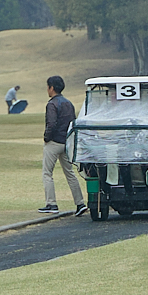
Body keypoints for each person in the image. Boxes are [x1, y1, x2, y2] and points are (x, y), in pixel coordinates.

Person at [40, 75, 83, 214]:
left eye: (48, 87)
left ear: (51, 88)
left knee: (47, 173)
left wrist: (46, 138)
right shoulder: (68, 103)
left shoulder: (52, 104)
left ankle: (51, 204)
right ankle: (80, 203)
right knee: (70, 173)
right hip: (67, 142)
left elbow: (51, 124)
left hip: (54, 142)